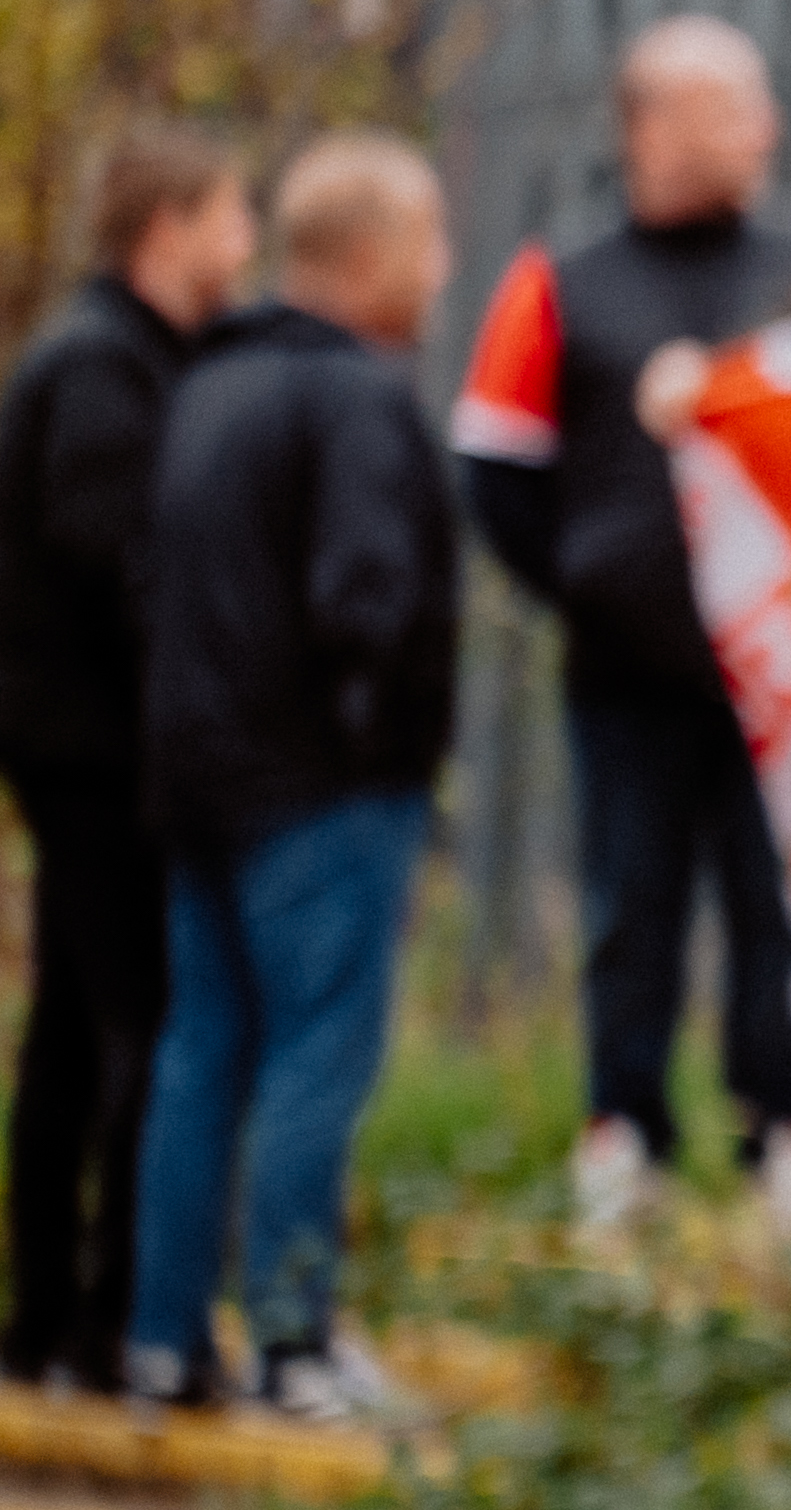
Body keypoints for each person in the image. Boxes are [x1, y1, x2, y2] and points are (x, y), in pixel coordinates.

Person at [451, 14, 791, 1234]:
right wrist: (589, 580)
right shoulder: (556, 281)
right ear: (654, 124)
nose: (765, 129)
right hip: (628, 673)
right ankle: (624, 1138)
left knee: (785, 908)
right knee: (633, 905)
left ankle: (788, 1134)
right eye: (738, 106)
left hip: (780, 675)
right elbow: (496, 464)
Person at [127, 137, 457, 1420]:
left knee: (200, 1053)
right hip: (319, 789)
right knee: (319, 1056)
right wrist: (378, 745)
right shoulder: (360, 397)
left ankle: (164, 1339)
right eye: (429, 245)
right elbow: (365, 596)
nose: (441, 272)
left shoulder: (208, 383)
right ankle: (291, 1342)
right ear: (374, 259)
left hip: (198, 779)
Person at [0, 131, 251, 1389]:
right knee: (136, 1023)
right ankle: (102, 1313)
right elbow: (125, 565)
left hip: (77, 743)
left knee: (72, 1025)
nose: (245, 247)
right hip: (95, 751)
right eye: (228, 218)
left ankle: (50, 1312)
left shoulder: (116, 361)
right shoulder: (104, 371)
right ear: (167, 229)